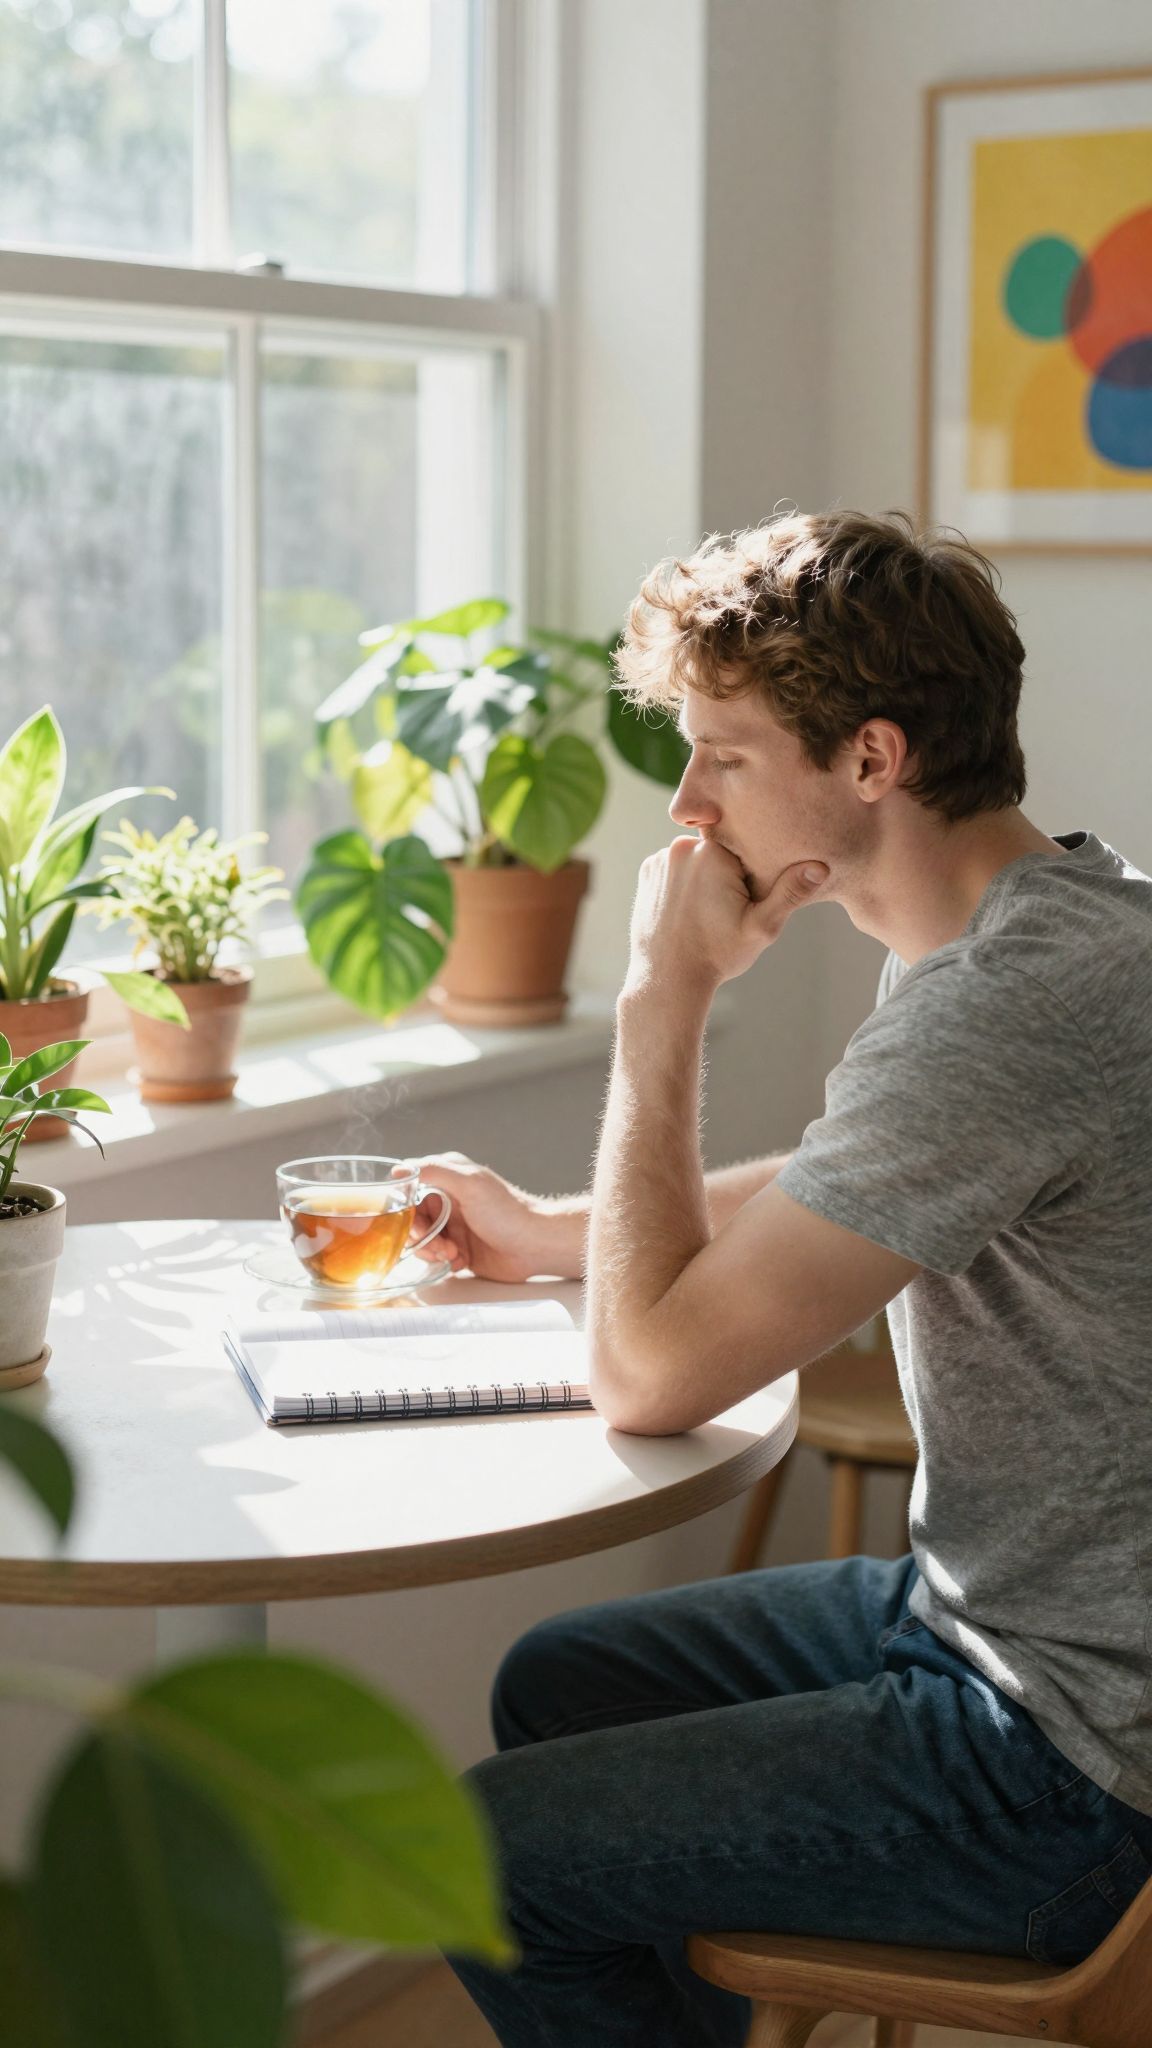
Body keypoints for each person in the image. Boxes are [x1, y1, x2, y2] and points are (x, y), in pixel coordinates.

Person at [404, 509, 1152, 2047]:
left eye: (721, 756)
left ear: (871, 760)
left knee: (473, 1854)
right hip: (994, 1615)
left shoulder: (1005, 1010)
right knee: (567, 1679)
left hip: (1071, 1755)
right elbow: (869, 1182)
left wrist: (658, 1004)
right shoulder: (1054, 919)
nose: (685, 807)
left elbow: (652, 1374)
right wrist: (550, 1232)